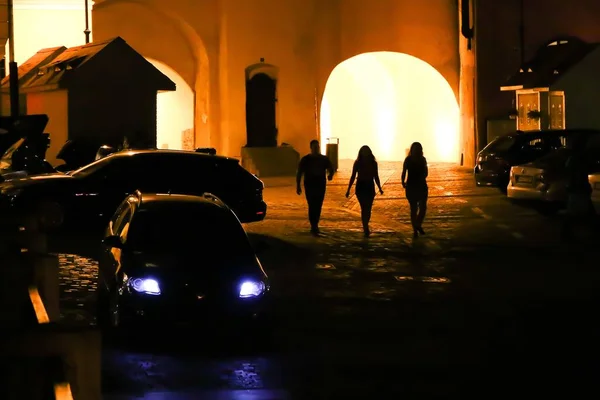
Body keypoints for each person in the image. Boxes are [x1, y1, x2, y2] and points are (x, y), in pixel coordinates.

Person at [297, 139, 334, 235]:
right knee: (312, 204)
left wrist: (330, 175)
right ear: (311, 148)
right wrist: (298, 185)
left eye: (317, 147)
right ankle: (313, 224)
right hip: (310, 184)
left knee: (318, 205)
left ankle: (315, 223)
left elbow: (331, 168)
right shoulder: (306, 159)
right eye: (315, 147)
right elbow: (300, 172)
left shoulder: (324, 159)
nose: (316, 149)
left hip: (320, 184)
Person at [345, 145, 384, 237]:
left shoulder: (373, 163)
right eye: (364, 151)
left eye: (367, 151)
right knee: (364, 207)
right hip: (361, 186)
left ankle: (366, 223)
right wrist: (348, 189)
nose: (365, 153)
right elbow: (353, 176)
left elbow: (376, 176)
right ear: (361, 153)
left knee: (368, 208)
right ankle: (365, 226)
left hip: (370, 186)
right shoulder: (358, 163)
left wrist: (380, 188)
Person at [561, 134, 594, 240]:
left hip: (576, 188)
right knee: (577, 212)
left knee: (581, 211)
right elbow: (578, 174)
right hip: (578, 188)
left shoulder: (572, 158)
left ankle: (568, 233)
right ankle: (567, 233)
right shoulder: (578, 159)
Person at [401, 142, 429, 238]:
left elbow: (426, 172)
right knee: (416, 208)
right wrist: (402, 181)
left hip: (418, 185)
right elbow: (404, 172)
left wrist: (403, 182)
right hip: (414, 186)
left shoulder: (420, 160)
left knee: (421, 208)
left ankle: (417, 225)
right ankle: (416, 228)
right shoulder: (409, 160)